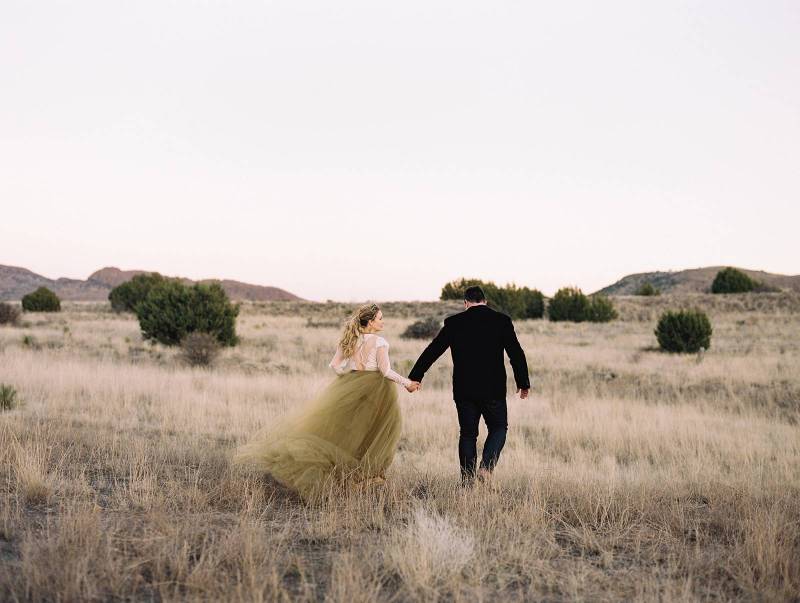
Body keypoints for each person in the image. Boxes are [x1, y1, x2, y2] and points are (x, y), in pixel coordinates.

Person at [234, 303, 419, 500]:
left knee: (346, 432)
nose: (383, 322)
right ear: (371, 322)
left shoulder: (351, 339)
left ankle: (350, 479)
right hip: (377, 391)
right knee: (374, 433)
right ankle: (363, 479)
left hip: (350, 385)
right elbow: (385, 371)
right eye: (380, 318)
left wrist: (348, 381)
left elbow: (335, 365)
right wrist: (407, 383)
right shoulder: (380, 342)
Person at [408, 286, 530, 485]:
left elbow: (434, 350)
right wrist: (523, 382)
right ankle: (486, 467)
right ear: (485, 301)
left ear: (466, 303)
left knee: (468, 434)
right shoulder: (501, 321)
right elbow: (516, 353)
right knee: (499, 427)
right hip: (493, 389)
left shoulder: (454, 322)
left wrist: (416, 376)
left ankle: (467, 483)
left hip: (464, 390)